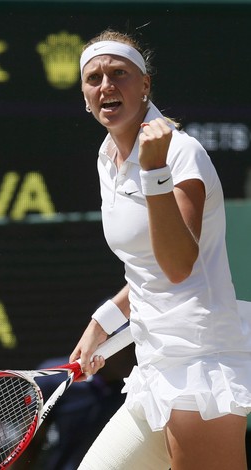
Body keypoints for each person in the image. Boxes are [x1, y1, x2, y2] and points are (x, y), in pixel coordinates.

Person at [70, 29, 251, 469]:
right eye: (94, 78)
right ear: (85, 96)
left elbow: (178, 266)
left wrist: (154, 171)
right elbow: (146, 269)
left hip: (200, 366)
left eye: (119, 74)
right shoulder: (106, 156)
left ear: (145, 84)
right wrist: (103, 322)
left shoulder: (181, 153)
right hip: (154, 367)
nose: (106, 86)